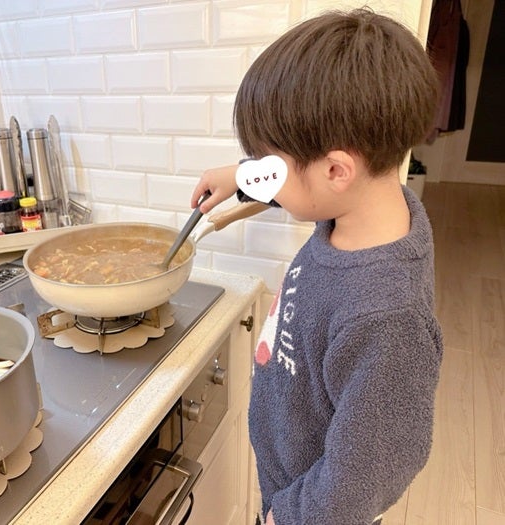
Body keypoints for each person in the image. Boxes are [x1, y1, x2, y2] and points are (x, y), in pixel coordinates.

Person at [190, 8, 444, 525]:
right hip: (291, 474)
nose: (265, 177)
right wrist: (241, 177)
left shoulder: (387, 316)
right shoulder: (364, 208)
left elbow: (366, 474)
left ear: (335, 170)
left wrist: (286, 518)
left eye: (270, 166)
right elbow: (309, 193)